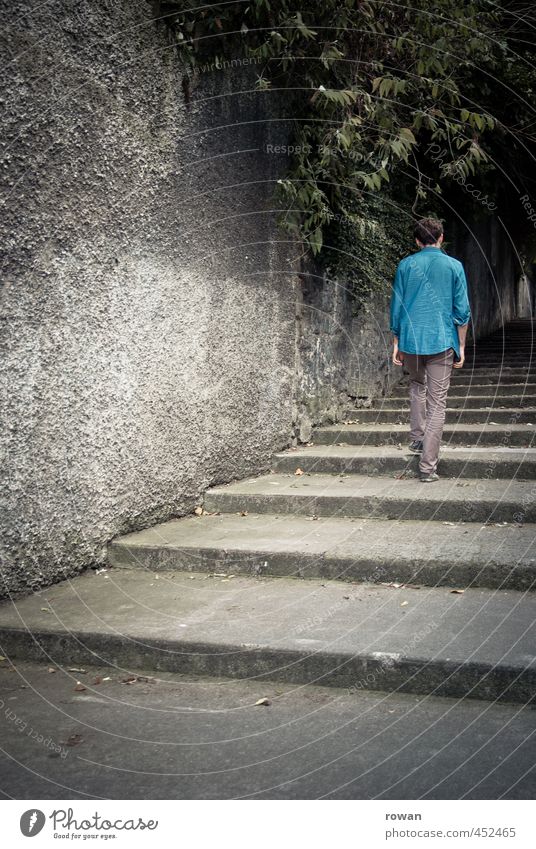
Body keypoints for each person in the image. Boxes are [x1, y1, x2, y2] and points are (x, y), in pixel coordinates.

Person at [389, 217, 471, 482]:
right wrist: (461, 345)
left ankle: (416, 438)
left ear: (416, 240)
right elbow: (462, 311)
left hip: (411, 341)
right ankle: (427, 469)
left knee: (416, 384)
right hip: (441, 340)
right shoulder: (454, 266)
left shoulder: (405, 265)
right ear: (441, 237)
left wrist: (396, 344)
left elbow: (397, 306)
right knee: (438, 404)